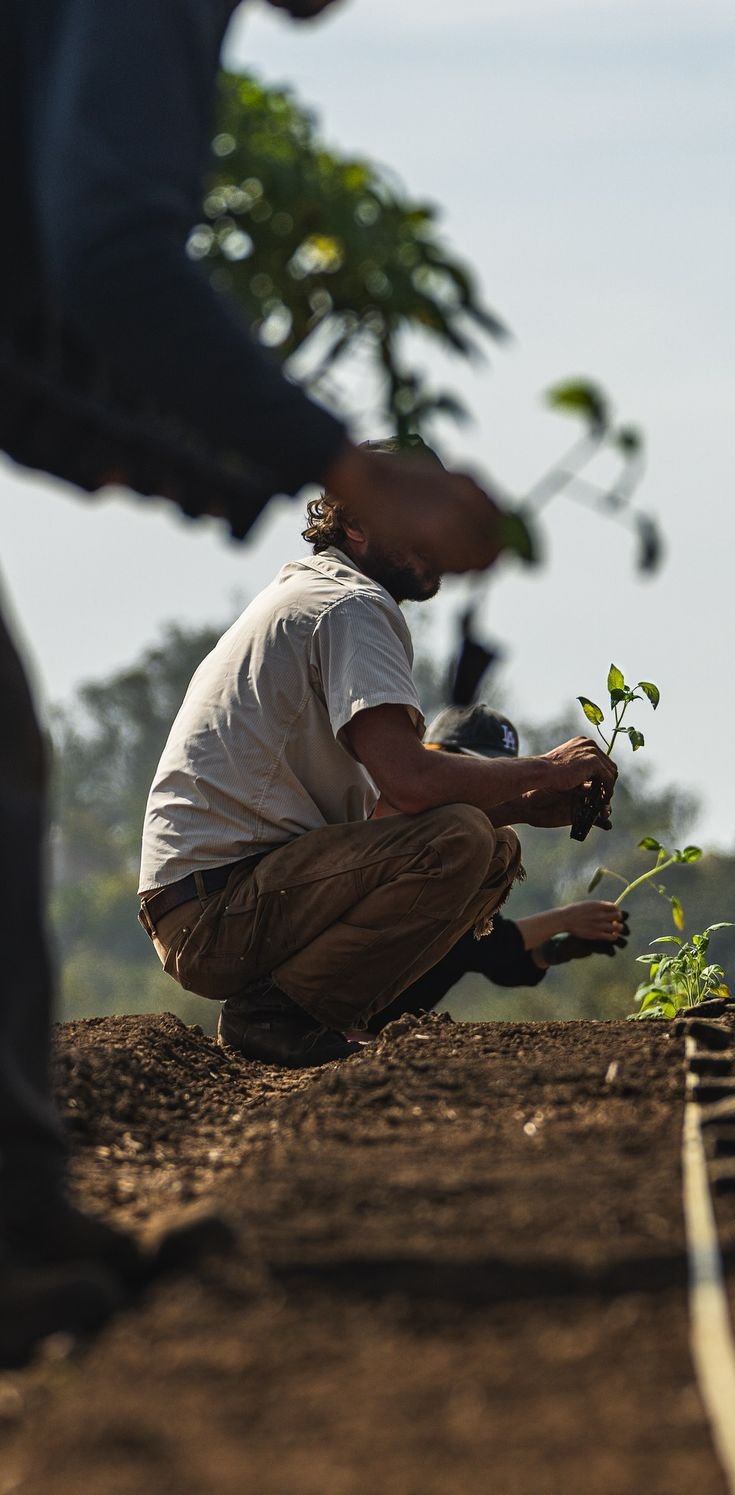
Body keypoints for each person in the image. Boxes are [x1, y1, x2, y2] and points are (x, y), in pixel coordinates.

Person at [0, 0, 506, 1367]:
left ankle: (22, 1230)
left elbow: (32, 362)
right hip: (223, 910)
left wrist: (222, 464)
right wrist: (336, 461)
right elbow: (114, 259)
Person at [137, 481, 618, 1068]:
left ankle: (305, 1014)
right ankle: (275, 1017)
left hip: (212, 904)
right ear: (357, 526)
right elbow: (409, 783)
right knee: (464, 839)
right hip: (219, 909)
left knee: (493, 846)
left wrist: (525, 802)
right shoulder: (352, 606)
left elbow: (386, 816)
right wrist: (547, 768)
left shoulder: (318, 594)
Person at [362, 705, 631, 1030]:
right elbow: (482, 945)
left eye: (496, 776)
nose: (487, 788)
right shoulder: (383, 812)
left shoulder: (478, 858)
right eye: (474, 771)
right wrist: (565, 919)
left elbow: (486, 953)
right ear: (438, 761)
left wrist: (554, 949)